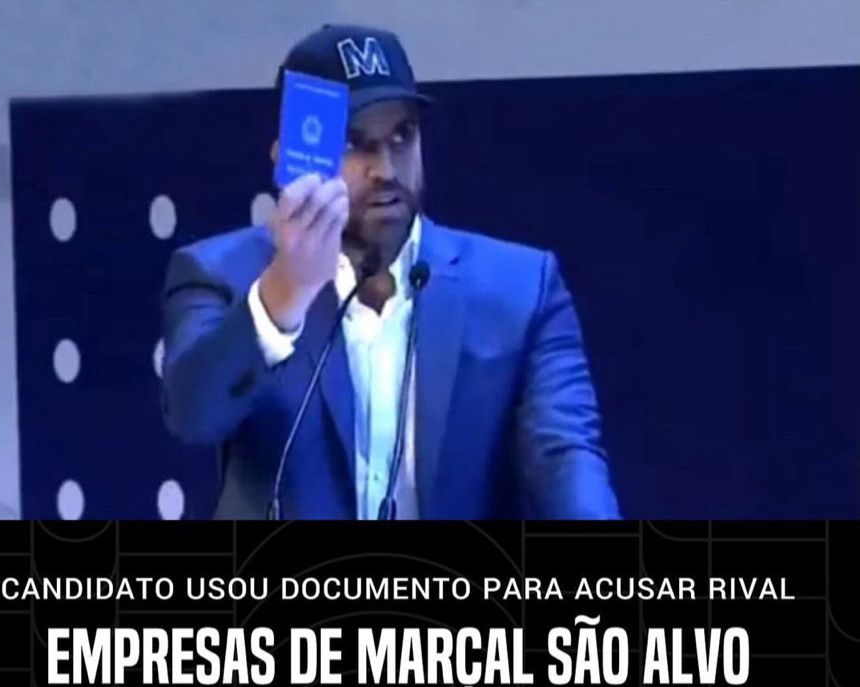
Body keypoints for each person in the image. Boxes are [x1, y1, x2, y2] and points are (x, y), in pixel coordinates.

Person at [161, 24, 619, 519]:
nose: (385, 169)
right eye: (353, 143)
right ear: (288, 160)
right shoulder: (220, 274)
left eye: (402, 136)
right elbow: (193, 415)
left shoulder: (520, 289)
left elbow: (564, 460)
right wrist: (284, 294)